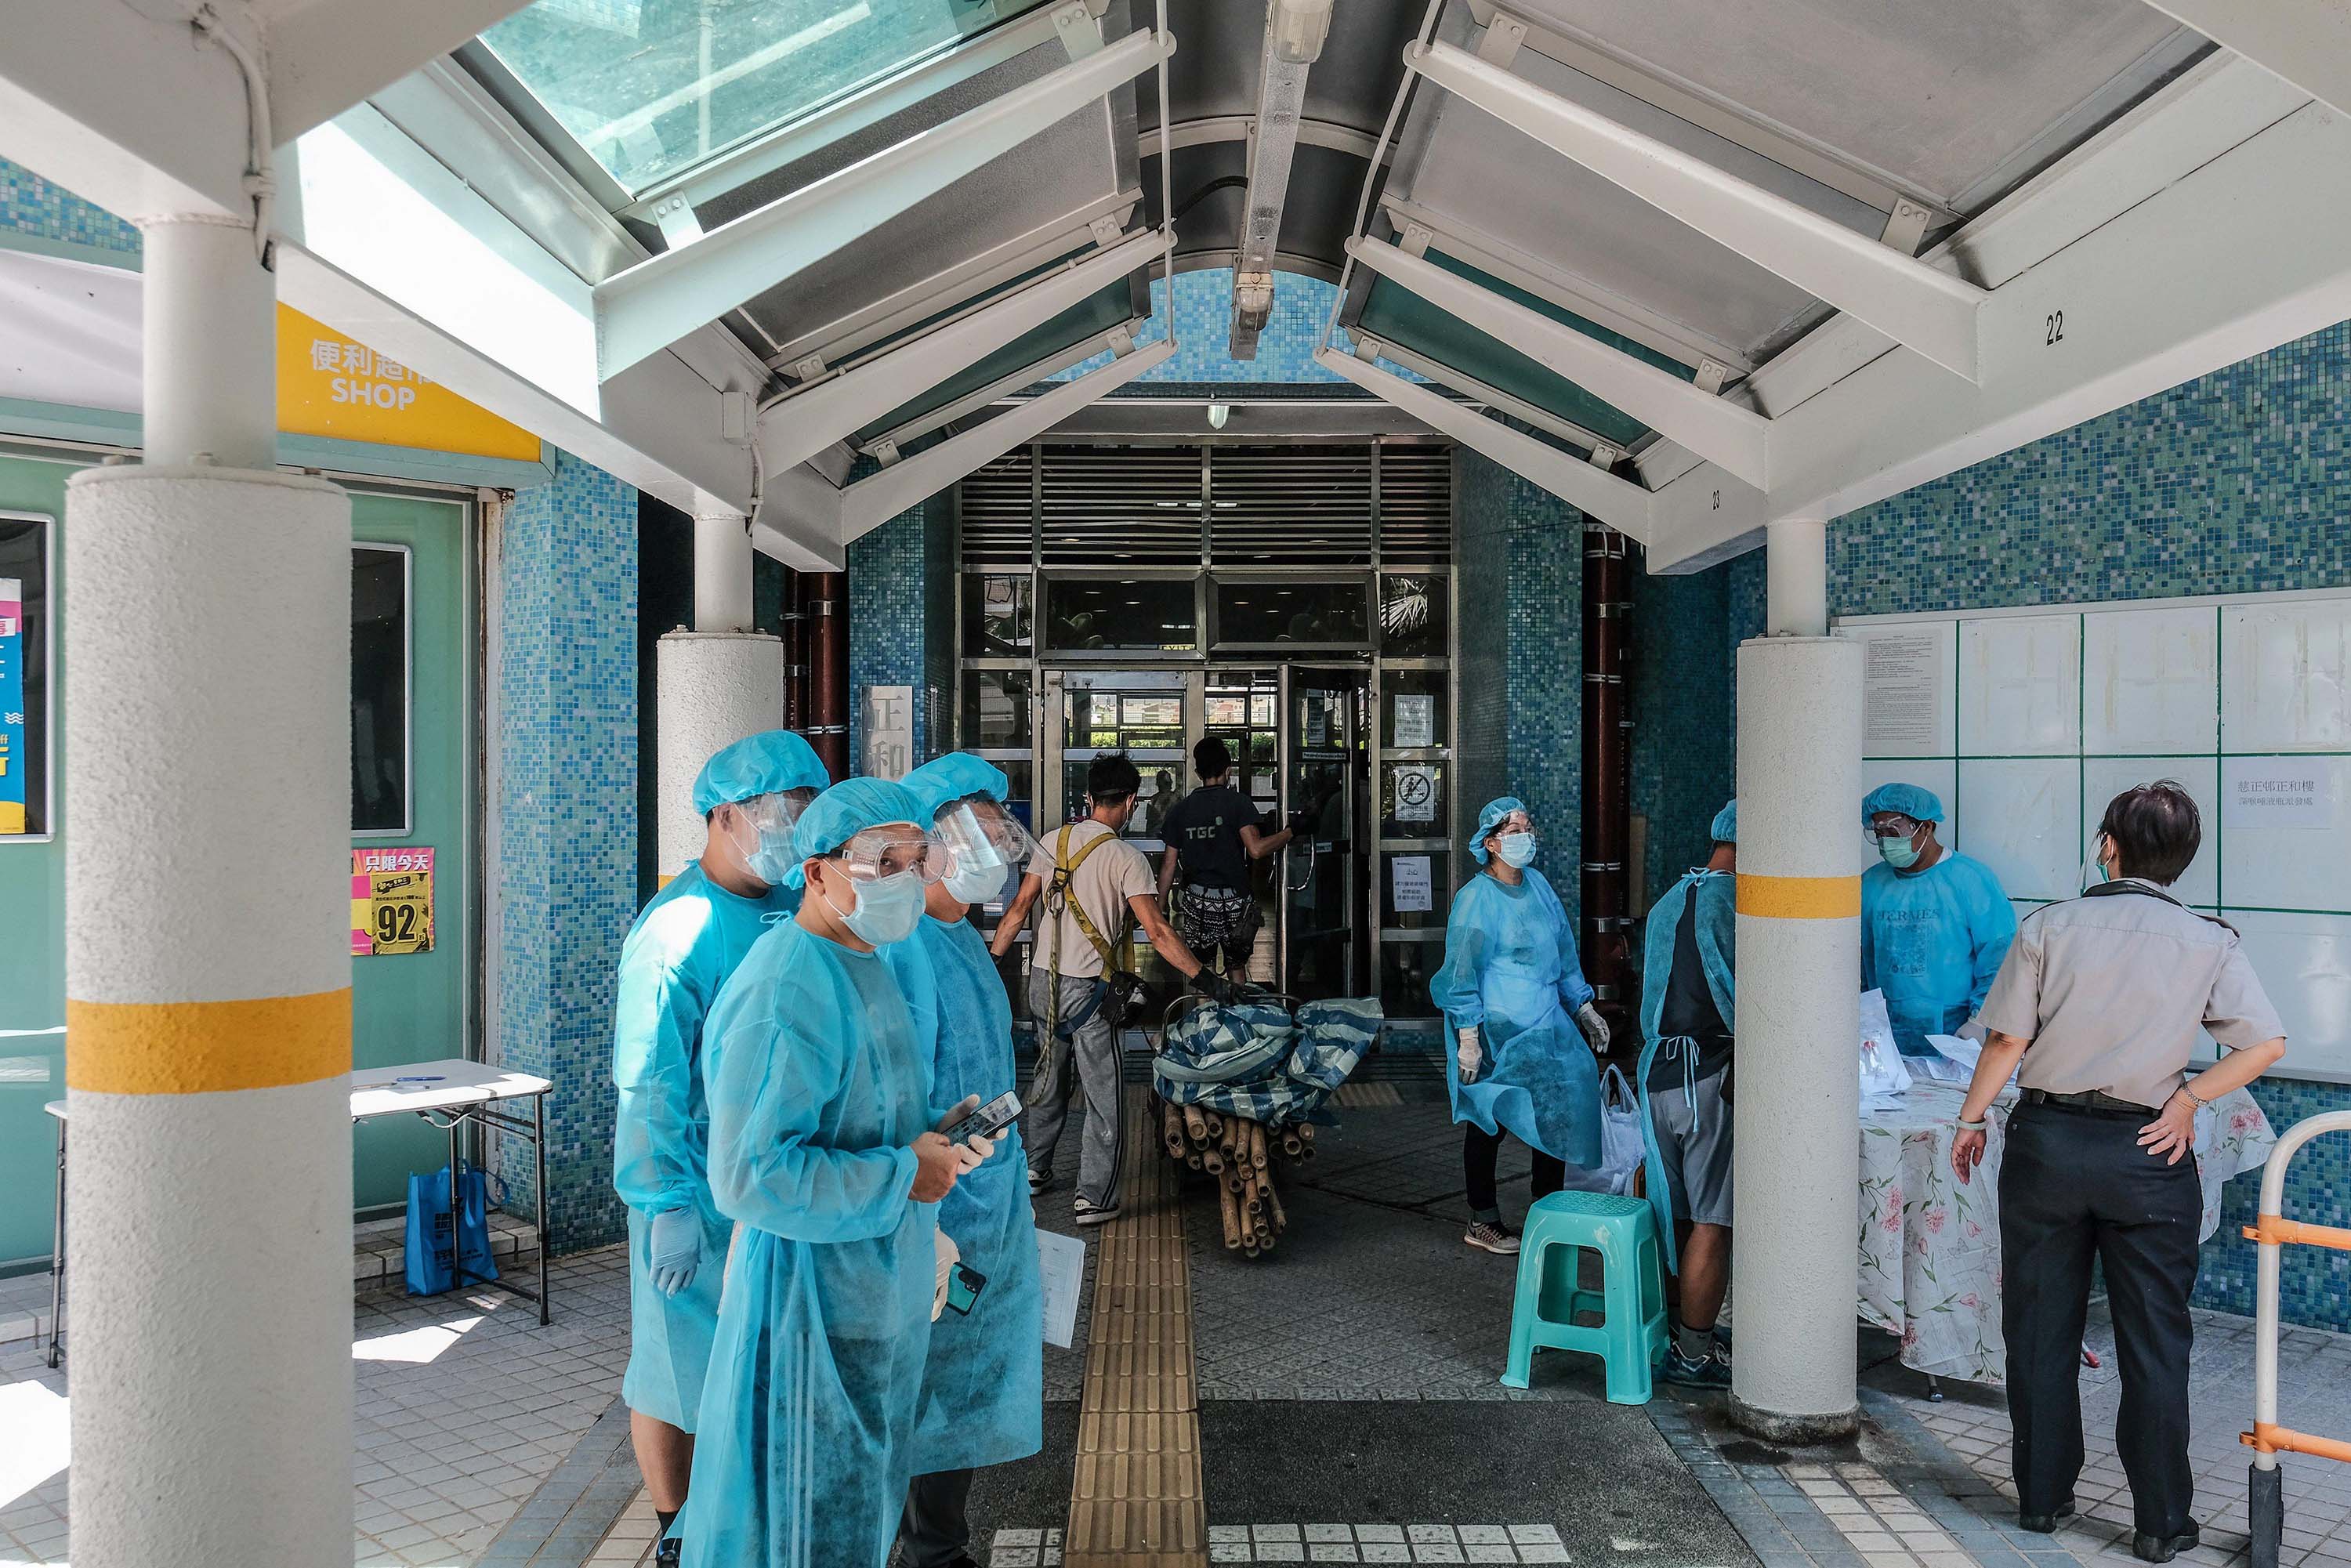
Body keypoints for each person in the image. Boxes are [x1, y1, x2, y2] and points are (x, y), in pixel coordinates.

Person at [1952, 783, 2286, 1565]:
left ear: (2108, 844)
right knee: (2155, 1345)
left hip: (2048, 1149)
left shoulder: (2048, 926)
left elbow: (2005, 1043)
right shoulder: (2208, 940)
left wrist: (1971, 1119)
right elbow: (2264, 1043)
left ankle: (2041, 1501)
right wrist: (2188, 1099)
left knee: (2039, 1332)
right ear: (2183, 858)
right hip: (2151, 1158)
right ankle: (2162, 1524)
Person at [680, 777, 1001, 1568]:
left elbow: (859, 1122)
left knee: (858, 1514)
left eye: (911, 859)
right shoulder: (785, 988)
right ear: (816, 872)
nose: (902, 877)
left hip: (866, 1287)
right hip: (805, 1309)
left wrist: (930, 1143)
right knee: (803, 1527)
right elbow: (752, 1177)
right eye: (877, 861)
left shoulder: (864, 962)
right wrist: (901, 1177)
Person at [610, 730, 827, 1563]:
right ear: (724, 814)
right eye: (779, 813)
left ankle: (745, 1515)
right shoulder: (675, 933)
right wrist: (666, 1202)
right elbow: (649, 1082)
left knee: (753, 1368)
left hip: (776, 1185)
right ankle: (676, 1530)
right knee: (674, 1366)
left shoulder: (789, 906)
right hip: (693, 1196)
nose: (792, 829)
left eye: (806, 811)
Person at [882, 754, 1046, 1568]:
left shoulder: (960, 938)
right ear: (931, 842)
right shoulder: (908, 944)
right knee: (924, 1388)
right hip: (935, 1209)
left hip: (983, 1198)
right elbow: (898, 1100)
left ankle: (939, 1543)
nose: (998, 849)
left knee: (959, 1385)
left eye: (1001, 832)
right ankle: (928, 1550)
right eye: (979, 834)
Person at [990, 753, 1239, 1226]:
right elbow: (1159, 933)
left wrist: (991, 966)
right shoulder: (1127, 859)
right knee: (1105, 1099)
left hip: (1043, 984)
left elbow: (1019, 909)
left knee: (1046, 1082)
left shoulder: (1052, 842)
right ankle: (1094, 1197)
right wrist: (1209, 980)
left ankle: (1034, 1171)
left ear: (1088, 798)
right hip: (1090, 995)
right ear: (1129, 802)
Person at [1430, 796, 1611, 1255]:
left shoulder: (1540, 887)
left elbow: (1563, 953)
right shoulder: (1475, 899)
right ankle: (1483, 1218)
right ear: (1490, 843)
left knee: (1557, 1109)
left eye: (1528, 829)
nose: (1524, 838)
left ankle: (1546, 1212)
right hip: (1496, 1031)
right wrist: (1468, 1035)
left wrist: (1583, 1006)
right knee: (1489, 1119)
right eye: (1514, 831)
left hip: (1547, 1025)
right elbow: (1460, 971)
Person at [1636, 800, 1737, 1389]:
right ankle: (1696, 1355)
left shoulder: (1670, 898)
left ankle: (1680, 1328)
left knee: (1674, 1212)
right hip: (1708, 1075)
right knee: (1711, 1219)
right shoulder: (1736, 902)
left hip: (1657, 1074)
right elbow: (1747, 994)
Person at [1860, 782, 2016, 1055]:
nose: (1886, 841)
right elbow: (1859, 955)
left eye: (1894, 831)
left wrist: (1980, 1020)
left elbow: (1999, 956)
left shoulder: (1970, 880)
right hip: (1884, 1028)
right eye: (1879, 833)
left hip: (1956, 1030)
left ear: (1927, 826)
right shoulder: (1871, 883)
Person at [1156, 737, 1295, 980]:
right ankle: (1239, 1014)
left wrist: (1159, 909)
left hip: (1197, 900)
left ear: (1198, 772)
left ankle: (1206, 1016)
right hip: (1235, 901)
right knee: (1236, 966)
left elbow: (1168, 865)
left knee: (1203, 971)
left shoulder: (1181, 810)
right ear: (1228, 769)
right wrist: (1290, 832)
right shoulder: (1238, 803)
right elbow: (1256, 849)